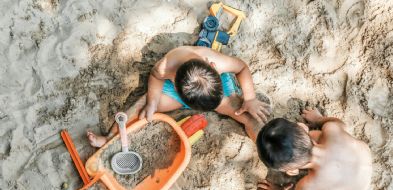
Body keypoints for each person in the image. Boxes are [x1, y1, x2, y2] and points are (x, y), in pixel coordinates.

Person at [87, 46, 270, 146]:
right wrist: (152, 103)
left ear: (212, 65)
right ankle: (109, 138)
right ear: (173, 83)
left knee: (248, 115)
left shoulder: (217, 62)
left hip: (216, 88)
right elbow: (155, 77)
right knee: (142, 107)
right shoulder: (165, 67)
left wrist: (250, 98)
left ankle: (262, 144)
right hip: (184, 91)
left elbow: (242, 67)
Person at [256, 108, 372, 190]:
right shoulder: (331, 128)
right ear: (302, 127)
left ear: (292, 171)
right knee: (316, 135)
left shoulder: (308, 186)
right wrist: (319, 120)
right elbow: (341, 124)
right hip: (362, 159)